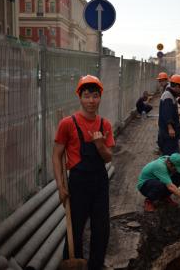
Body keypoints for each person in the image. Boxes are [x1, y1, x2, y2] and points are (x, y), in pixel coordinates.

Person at [52, 75, 115, 270]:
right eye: (86, 96)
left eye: (95, 96)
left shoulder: (105, 125)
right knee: (75, 228)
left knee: (101, 230)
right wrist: (61, 187)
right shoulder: (67, 124)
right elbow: (56, 156)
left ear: (100, 98)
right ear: (79, 97)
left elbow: (108, 158)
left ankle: (96, 266)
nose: (91, 101)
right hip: (78, 183)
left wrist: (99, 144)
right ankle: (73, 263)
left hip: (99, 182)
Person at [158, 74, 180, 156]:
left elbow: (172, 111)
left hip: (168, 131)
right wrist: (170, 128)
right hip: (167, 132)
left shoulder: (171, 95)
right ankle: (167, 166)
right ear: (177, 86)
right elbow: (167, 113)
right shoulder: (168, 96)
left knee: (172, 151)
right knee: (169, 153)